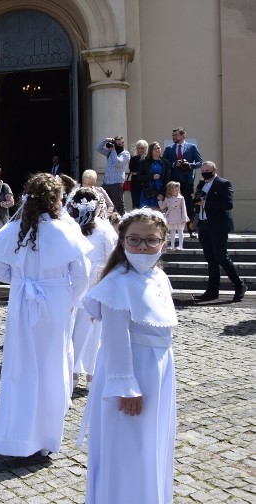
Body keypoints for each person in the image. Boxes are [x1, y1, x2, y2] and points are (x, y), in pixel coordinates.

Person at [0, 173, 91, 457]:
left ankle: (16, 435)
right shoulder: (65, 231)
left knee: (20, 363)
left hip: (22, 301)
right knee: (51, 365)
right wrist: (68, 299)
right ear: (57, 199)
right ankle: (45, 438)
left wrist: (22, 280)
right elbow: (82, 275)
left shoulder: (14, 230)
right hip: (54, 302)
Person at [79, 209, 177, 504]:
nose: (142, 247)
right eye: (134, 240)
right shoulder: (117, 283)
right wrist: (126, 387)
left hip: (157, 372)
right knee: (128, 446)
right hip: (130, 374)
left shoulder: (159, 277)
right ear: (122, 242)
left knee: (151, 444)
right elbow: (114, 339)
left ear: (163, 243)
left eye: (151, 240)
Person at [66, 188, 118, 386]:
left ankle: (71, 370)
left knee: (71, 327)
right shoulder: (104, 229)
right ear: (96, 206)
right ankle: (90, 373)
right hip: (96, 283)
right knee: (93, 330)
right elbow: (112, 257)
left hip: (72, 283)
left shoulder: (69, 227)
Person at [193, 161, 246, 302]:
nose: (204, 172)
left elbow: (228, 204)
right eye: (202, 170)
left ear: (214, 170)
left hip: (218, 226)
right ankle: (212, 291)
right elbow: (199, 201)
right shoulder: (201, 184)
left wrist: (206, 203)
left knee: (221, 256)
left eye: (207, 170)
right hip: (204, 225)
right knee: (210, 259)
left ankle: (239, 285)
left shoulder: (223, 183)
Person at [163, 128, 202, 236]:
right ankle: (170, 231)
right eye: (173, 135)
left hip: (187, 182)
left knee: (189, 206)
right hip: (173, 182)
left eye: (176, 135)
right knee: (170, 206)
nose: (174, 137)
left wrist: (190, 165)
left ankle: (192, 230)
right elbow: (164, 163)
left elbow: (200, 162)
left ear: (183, 135)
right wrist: (174, 164)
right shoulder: (169, 148)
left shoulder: (192, 147)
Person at [96, 135, 130, 215]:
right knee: (104, 204)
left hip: (116, 184)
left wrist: (114, 150)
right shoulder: (110, 152)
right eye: (115, 143)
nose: (116, 146)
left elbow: (117, 163)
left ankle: (122, 223)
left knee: (118, 206)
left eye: (119, 144)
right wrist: (105, 140)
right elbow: (98, 149)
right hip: (106, 183)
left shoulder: (125, 154)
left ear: (123, 144)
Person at [134, 142, 170, 210]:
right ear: (150, 150)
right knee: (146, 214)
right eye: (154, 148)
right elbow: (139, 177)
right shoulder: (144, 161)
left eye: (158, 148)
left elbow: (167, 179)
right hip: (148, 192)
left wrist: (163, 193)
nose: (157, 150)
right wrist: (151, 177)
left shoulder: (165, 162)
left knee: (158, 214)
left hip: (160, 191)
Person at [159, 181, 188, 251]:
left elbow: (184, 208)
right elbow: (162, 207)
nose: (177, 191)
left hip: (179, 216)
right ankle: (172, 245)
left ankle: (180, 246)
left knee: (180, 231)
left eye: (178, 190)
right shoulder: (167, 198)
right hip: (170, 216)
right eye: (175, 190)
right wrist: (160, 200)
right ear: (170, 190)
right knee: (172, 232)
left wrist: (184, 217)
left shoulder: (181, 198)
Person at [127, 140, 148, 210]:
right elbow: (132, 169)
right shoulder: (134, 158)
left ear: (146, 148)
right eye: (138, 148)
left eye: (142, 148)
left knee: (146, 204)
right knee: (136, 203)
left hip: (146, 183)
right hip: (135, 183)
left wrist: (138, 172)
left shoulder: (148, 158)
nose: (140, 150)